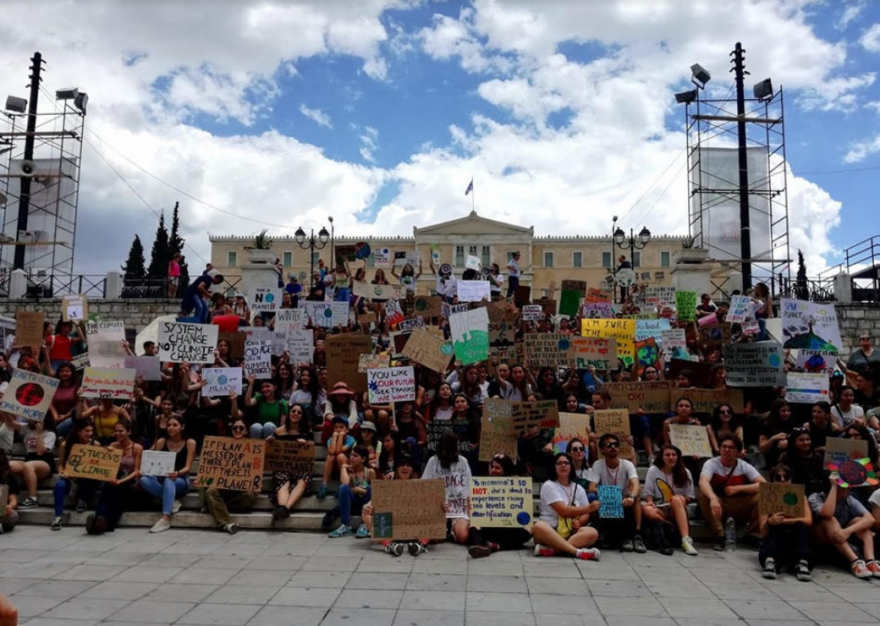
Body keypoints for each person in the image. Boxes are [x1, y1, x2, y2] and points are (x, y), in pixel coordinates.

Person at [698, 434, 765, 549]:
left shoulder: (744, 466)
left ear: (738, 451)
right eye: (724, 446)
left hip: (740, 505)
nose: (727, 450)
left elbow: (764, 485)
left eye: (731, 447)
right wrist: (713, 498)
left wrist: (738, 488)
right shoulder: (711, 463)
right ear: (719, 448)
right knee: (704, 494)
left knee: (762, 496)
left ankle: (752, 535)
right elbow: (703, 482)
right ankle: (719, 535)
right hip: (719, 505)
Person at [532, 452, 601, 560]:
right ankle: (577, 552)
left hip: (571, 532)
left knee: (593, 533)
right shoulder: (549, 485)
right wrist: (588, 508)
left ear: (571, 467)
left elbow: (586, 514)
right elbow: (563, 511)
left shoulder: (579, 488)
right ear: (553, 467)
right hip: (551, 530)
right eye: (559, 463)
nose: (563, 465)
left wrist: (580, 522)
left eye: (566, 463)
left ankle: (554, 550)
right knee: (538, 526)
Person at [810, 473, 879, 579]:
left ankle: (870, 560)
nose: (850, 488)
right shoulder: (815, 497)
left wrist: (847, 531)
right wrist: (834, 486)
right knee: (830, 520)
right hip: (824, 539)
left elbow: (870, 519)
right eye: (845, 485)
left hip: (843, 537)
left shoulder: (849, 499)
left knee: (859, 521)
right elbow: (827, 513)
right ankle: (855, 561)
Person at [466, 454, 533, 557]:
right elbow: (476, 511)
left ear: (506, 469)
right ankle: (478, 546)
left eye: (497, 468)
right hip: (489, 527)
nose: (493, 470)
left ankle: (497, 546)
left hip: (509, 528)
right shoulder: (483, 484)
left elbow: (524, 514)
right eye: (492, 467)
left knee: (530, 528)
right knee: (474, 524)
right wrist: (471, 509)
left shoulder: (517, 485)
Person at [587, 433, 644, 552]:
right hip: (608, 500)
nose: (613, 447)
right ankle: (601, 532)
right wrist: (612, 493)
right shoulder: (598, 464)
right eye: (608, 445)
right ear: (602, 449)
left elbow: (636, 484)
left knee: (636, 495)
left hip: (624, 500)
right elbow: (592, 488)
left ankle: (637, 534)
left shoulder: (627, 464)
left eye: (615, 444)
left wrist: (631, 496)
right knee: (592, 496)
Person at [139, 415, 196, 533]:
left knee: (169, 480)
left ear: (182, 427)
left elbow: (188, 467)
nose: (171, 428)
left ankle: (165, 519)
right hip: (161, 478)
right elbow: (152, 462)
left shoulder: (190, 442)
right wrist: (145, 469)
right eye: (169, 425)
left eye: (175, 425)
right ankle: (172, 501)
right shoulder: (161, 441)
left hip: (180, 479)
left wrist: (177, 473)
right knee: (143, 479)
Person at [87, 419, 143, 535]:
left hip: (128, 479)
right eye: (116, 431)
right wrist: (108, 453)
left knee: (119, 494)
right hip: (113, 477)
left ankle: (108, 523)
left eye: (121, 431)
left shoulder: (137, 447)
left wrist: (121, 481)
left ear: (129, 431)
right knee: (106, 492)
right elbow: (106, 467)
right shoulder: (112, 445)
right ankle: (98, 519)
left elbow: (136, 471)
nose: (117, 434)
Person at [759, 464, 813, 581]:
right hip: (775, 541)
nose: (782, 480)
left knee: (800, 525)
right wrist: (770, 522)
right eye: (778, 478)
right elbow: (762, 532)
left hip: (796, 540)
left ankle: (802, 563)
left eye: (786, 477)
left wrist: (785, 521)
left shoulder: (801, 497)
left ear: (791, 479)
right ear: (773, 481)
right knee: (775, 526)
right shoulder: (766, 498)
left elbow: (808, 521)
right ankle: (770, 562)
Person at [203, 418, 256, 534]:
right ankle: (227, 523)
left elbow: (255, 470)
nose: (238, 430)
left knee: (250, 496)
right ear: (231, 431)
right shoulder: (222, 445)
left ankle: (213, 506)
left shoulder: (253, 448)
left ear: (246, 431)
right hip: (222, 485)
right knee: (210, 491)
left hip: (239, 486)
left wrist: (254, 483)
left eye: (241, 428)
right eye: (235, 428)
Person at [642, 444, 698, 556]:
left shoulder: (685, 472)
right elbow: (648, 494)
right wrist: (650, 502)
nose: (671, 457)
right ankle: (671, 526)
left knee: (676, 499)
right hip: (661, 509)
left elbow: (691, 496)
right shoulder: (653, 470)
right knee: (647, 509)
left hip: (678, 508)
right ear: (662, 457)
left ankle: (686, 540)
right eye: (667, 455)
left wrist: (683, 499)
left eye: (674, 455)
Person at [421, 431, 472, 546]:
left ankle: (452, 531)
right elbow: (423, 487)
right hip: (438, 509)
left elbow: (469, 487)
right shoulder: (433, 462)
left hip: (459, 509)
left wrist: (470, 508)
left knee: (463, 537)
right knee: (433, 537)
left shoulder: (463, 462)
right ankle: (444, 531)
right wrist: (435, 504)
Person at [51, 420, 99, 530]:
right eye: (87, 431)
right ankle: (58, 517)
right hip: (70, 477)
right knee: (59, 485)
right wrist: (63, 473)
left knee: (87, 478)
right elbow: (60, 465)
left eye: (92, 431)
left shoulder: (95, 444)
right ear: (78, 432)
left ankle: (83, 500)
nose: (90, 433)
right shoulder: (66, 444)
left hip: (88, 478)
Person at [270, 405, 313, 521]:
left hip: (300, 466)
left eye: (299, 412)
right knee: (282, 480)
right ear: (289, 413)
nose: (295, 414)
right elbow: (272, 451)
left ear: (302, 416)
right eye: (293, 411)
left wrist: (306, 444)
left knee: (303, 480)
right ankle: (282, 505)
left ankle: (284, 508)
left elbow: (310, 452)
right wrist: (271, 442)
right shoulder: (278, 431)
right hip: (282, 465)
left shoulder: (307, 431)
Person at [6, 415, 56, 509]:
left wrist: (39, 434)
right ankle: (8, 497)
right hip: (29, 458)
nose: (29, 418)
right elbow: (10, 423)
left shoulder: (50, 434)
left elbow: (40, 452)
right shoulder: (26, 428)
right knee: (6, 465)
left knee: (28, 466)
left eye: (33, 417)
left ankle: (32, 498)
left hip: (45, 461)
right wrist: (3, 410)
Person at [328, 444, 375, 538]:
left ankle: (364, 525)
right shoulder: (349, 471)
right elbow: (345, 484)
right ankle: (345, 526)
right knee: (343, 487)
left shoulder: (370, 472)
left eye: (355, 456)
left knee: (371, 488)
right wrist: (343, 468)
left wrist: (360, 490)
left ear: (363, 459)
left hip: (366, 505)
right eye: (351, 455)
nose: (352, 458)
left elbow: (375, 493)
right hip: (352, 504)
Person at [778, 428, 826, 496]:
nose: (806, 442)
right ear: (794, 442)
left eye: (808, 439)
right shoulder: (786, 457)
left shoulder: (817, 457)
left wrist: (843, 484)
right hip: (793, 495)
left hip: (816, 495)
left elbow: (830, 475)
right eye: (801, 440)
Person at [318, 416, 356, 500]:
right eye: (336, 427)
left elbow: (339, 451)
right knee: (330, 456)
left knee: (340, 456)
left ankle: (342, 485)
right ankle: (324, 485)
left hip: (345, 466)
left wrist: (341, 437)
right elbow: (331, 451)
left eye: (341, 427)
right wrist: (335, 437)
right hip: (332, 466)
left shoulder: (351, 439)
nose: (338, 429)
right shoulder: (331, 439)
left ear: (347, 430)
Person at [759, 399, 796, 469]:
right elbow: (762, 448)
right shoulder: (766, 425)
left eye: (788, 411)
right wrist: (773, 439)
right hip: (772, 457)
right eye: (783, 411)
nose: (787, 413)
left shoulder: (791, 422)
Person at [49, 362, 80, 438]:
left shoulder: (77, 388)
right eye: (62, 371)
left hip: (71, 417)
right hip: (55, 417)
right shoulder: (54, 386)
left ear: (72, 373)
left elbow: (78, 406)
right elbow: (50, 404)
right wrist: (55, 416)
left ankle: (54, 435)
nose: (64, 373)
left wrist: (64, 417)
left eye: (67, 371)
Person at [0, 449, 18, 533]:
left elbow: (13, 500)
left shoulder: (8, 476)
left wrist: (9, 507)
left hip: (1, 509)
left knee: (13, 515)